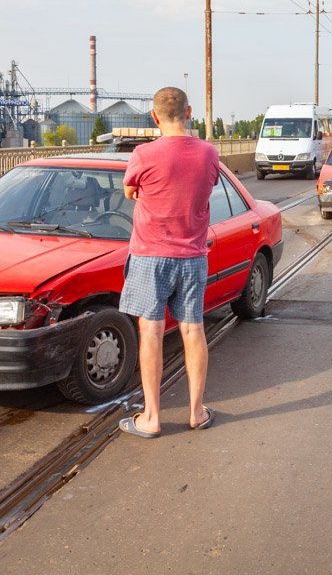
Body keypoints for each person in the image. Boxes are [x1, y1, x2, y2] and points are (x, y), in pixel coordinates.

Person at [117, 87, 221, 438]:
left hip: (150, 257)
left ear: (155, 116)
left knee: (151, 331)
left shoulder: (143, 154)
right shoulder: (209, 153)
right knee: (193, 329)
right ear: (189, 112)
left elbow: (129, 191)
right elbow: (206, 187)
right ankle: (196, 411)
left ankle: (152, 417)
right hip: (192, 256)